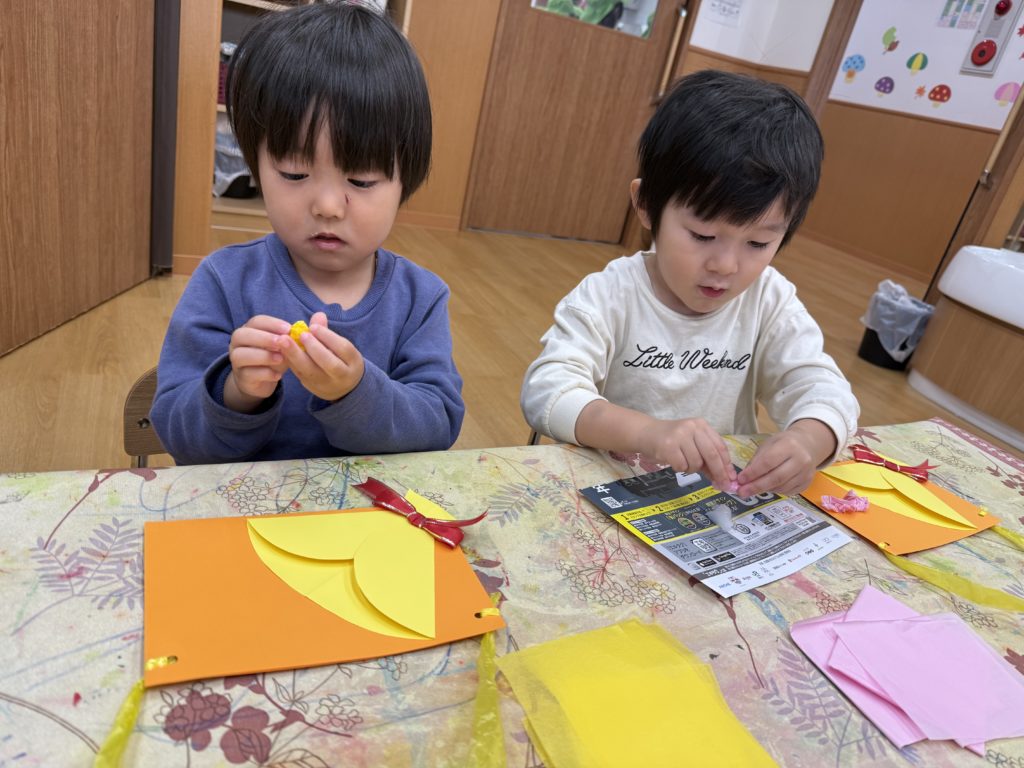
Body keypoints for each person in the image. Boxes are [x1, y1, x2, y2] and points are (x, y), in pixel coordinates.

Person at [521, 70, 859, 498]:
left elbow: (824, 389)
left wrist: (808, 441)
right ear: (646, 205)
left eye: (758, 243)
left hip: (716, 498)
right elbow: (548, 391)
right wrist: (648, 433)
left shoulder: (769, 301)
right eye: (702, 235)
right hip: (611, 492)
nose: (726, 265)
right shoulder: (609, 296)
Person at [152, 3, 463, 464]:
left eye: (361, 181)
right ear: (257, 167)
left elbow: (438, 425)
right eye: (294, 174)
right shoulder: (224, 281)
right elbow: (175, 430)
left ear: (406, 181)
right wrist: (237, 392)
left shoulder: (420, 299)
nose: (328, 206)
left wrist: (356, 392)